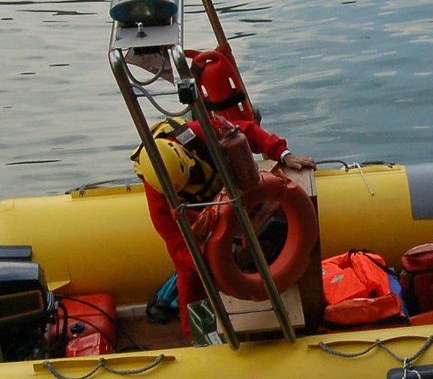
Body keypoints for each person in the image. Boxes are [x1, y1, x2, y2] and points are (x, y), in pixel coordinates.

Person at [133, 66, 316, 335]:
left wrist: (282, 152)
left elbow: (248, 132)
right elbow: (178, 245)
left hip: (232, 190)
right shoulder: (159, 194)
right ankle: (196, 337)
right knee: (190, 276)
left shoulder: (201, 134)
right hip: (201, 212)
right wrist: (220, 265)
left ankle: (296, 298)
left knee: (272, 222)